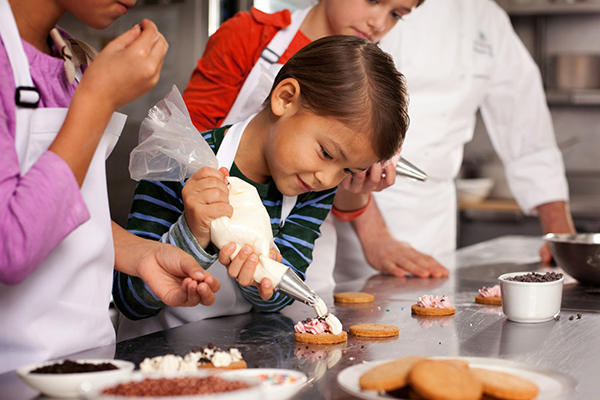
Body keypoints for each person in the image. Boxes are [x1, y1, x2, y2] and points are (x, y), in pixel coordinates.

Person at [112, 35, 409, 340]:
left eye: (347, 170)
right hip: (152, 355)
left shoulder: (312, 190)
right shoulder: (181, 162)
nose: (328, 178)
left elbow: (279, 300)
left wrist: (259, 276)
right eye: (327, 153)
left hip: (231, 357)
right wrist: (193, 233)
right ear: (285, 98)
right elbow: (129, 299)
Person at [0, 0, 220, 373]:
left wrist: (142, 255)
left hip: (92, 363)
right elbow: (9, 246)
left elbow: (61, 208)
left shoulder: (68, 58)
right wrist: (98, 99)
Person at [333, 0, 576, 284]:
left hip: (435, 208)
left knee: (429, 311)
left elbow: (529, 129)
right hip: (356, 199)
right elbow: (341, 123)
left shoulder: (487, 19)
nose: (386, 19)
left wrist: (563, 240)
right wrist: (374, 234)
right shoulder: (385, 9)